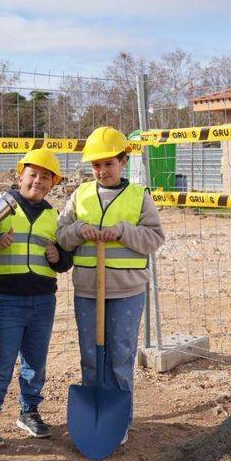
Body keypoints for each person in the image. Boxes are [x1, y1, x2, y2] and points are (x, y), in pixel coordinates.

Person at [55, 126, 165, 442]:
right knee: (91, 355)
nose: (102, 171)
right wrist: (79, 230)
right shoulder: (80, 196)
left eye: (109, 164)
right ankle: (92, 416)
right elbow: (61, 235)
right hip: (88, 290)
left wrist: (123, 231)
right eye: (96, 165)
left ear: (122, 161)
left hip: (127, 291)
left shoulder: (139, 197)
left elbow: (155, 238)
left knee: (119, 354)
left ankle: (120, 421)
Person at [0, 150, 73, 448]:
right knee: (1, 363)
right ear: (20, 176)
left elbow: (65, 261)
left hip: (43, 301)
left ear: (53, 184)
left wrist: (59, 258)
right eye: (33, 174)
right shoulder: (1, 208)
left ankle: (29, 410)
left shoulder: (53, 216)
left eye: (46, 177)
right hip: (6, 300)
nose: (38, 181)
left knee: (36, 363)